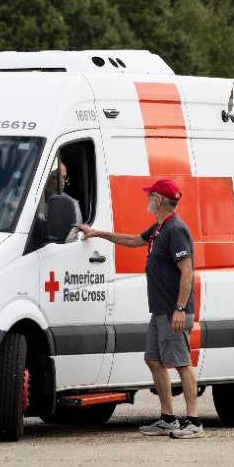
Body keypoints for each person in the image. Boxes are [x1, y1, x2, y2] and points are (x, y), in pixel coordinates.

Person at [78, 178, 203, 438]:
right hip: (160, 311)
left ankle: (194, 421)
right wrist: (98, 233)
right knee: (153, 359)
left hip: (173, 311)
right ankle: (168, 418)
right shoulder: (160, 228)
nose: (146, 200)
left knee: (181, 363)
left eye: (150, 196)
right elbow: (135, 240)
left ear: (159, 200)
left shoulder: (175, 230)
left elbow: (187, 272)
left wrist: (180, 308)